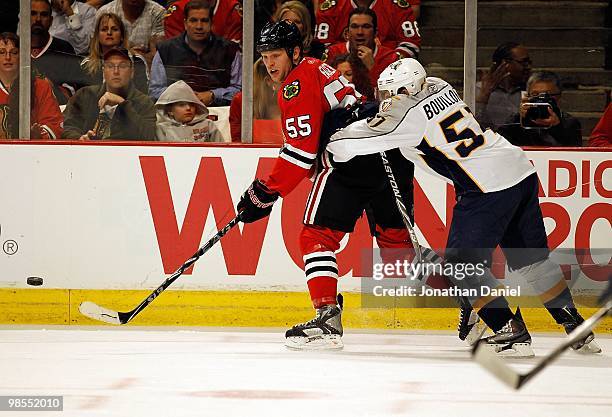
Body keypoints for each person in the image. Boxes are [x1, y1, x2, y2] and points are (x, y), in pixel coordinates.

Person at [326, 58, 601, 356]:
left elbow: (359, 139)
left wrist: (330, 146)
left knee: (461, 265)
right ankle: (575, 326)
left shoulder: (406, 114)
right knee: (531, 259)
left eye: (392, 92)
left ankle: (509, 330)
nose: (389, 100)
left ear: (406, 88)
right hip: (518, 168)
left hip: (486, 186)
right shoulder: (440, 86)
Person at [236, 20, 415, 350]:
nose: (270, 63)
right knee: (399, 249)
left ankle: (327, 316)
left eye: (276, 55)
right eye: (265, 56)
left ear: (294, 52)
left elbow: (300, 153)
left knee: (315, 235)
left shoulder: (297, 82)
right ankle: (485, 313)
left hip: (352, 157)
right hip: (389, 153)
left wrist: (263, 193)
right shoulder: (316, 69)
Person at [149, 0, 242, 106]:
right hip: (175, 114)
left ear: (211, 23)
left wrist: (213, 95)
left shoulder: (230, 50)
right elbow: (155, 91)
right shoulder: (165, 50)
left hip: (219, 112)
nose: (199, 26)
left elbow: (239, 89)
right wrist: (182, 96)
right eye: (193, 20)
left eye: (204, 21)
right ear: (185, 23)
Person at [62, 46, 156, 140]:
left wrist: (123, 104)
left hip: (124, 153)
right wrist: (79, 138)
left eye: (122, 66)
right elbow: (67, 127)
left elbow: (149, 137)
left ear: (132, 72)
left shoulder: (144, 102)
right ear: (103, 71)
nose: (116, 71)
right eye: (110, 66)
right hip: (87, 152)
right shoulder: (84, 95)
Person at [0, 32, 63, 140]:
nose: (8, 57)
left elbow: (54, 123)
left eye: (14, 52)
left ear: (22, 56)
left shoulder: (40, 86)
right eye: (1, 52)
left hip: (31, 153)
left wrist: (38, 135)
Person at [498, 71, 582, 147]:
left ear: (559, 96)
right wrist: (519, 118)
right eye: (535, 95)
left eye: (547, 95)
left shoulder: (570, 123)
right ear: (527, 96)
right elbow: (501, 145)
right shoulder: (516, 121)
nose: (541, 100)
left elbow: (574, 152)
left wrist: (557, 127)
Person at [323, 8, 398, 91]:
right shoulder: (333, 53)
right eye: (354, 27)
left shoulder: (391, 58)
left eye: (366, 27)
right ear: (347, 32)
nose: (360, 32)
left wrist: (372, 68)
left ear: (375, 33)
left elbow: (390, 95)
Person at [315, 0, 421, 59]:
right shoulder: (331, 8)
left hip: (389, 71)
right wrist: (347, 60)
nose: (360, 32)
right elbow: (321, 47)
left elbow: (411, 43)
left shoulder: (396, 6)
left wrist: (388, 61)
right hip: (340, 69)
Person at [81, 12, 149, 93]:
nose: (109, 33)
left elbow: (142, 94)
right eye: (104, 29)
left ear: (122, 36)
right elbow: (84, 97)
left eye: (114, 29)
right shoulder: (87, 64)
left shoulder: (137, 60)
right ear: (97, 36)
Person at [31, 0, 82, 105]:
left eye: (44, 15)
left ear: (51, 20)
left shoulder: (64, 48)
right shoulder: (14, 49)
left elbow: (72, 96)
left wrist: (50, 87)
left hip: (56, 113)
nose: (38, 19)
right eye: (33, 13)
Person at [475, 42, 532, 131]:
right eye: (523, 63)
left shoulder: (532, 90)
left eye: (529, 62)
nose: (528, 67)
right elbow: (471, 122)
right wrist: (484, 97)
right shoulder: (479, 90)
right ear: (505, 63)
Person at [229, 58, 281, 143]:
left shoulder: (293, 98)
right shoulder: (241, 101)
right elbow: (237, 142)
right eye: (284, 76)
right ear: (269, 81)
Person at [96, 0, 165, 64]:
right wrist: (129, 55)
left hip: (145, 68)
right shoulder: (106, 11)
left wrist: (138, 58)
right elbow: (96, 48)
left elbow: (157, 57)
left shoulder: (158, 12)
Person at [155, 80, 223, 142]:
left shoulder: (208, 124)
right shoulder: (161, 129)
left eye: (192, 105)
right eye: (181, 105)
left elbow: (221, 149)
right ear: (170, 111)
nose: (188, 108)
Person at [165, 0, 243, 44]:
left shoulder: (232, 8)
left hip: (222, 69)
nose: (199, 26)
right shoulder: (177, 9)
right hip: (185, 69)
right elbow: (174, 51)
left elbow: (233, 51)